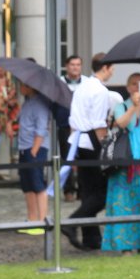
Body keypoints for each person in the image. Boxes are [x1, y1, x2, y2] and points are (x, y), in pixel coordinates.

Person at [103, 73, 140, 254]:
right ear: (128, 88)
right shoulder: (121, 106)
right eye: (134, 84)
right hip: (125, 154)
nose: (137, 87)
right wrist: (134, 107)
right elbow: (121, 123)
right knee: (123, 200)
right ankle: (124, 246)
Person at [65, 51, 115, 251]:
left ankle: (91, 238)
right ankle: (72, 222)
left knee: (88, 191)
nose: (112, 72)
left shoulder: (83, 86)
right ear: (106, 67)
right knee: (102, 193)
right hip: (91, 141)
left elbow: (74, 118)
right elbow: (98, 125)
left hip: (77, 140)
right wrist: (106, 149)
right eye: (112, 68)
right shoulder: (100, 90)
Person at [16, 81, 52, 233]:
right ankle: (32, 220)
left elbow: (41, 128)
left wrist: (34, 150)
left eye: (22, 84)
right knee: (27, 186)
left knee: (37, 184)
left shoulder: (40, 104)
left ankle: (42, 221)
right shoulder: (27, 103)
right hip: (24, 147)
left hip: (34, 148)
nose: (20, 87)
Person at [53, 54, 81, 201]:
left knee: (83, 157)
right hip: (65, 126)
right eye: (72, 65)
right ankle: (68, 190)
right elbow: (54, 105)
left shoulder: (86, 83)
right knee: (66, 158)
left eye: (78, 65)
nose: (75, 67)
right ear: (67, 66)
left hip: (83, 127)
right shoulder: (60, 83)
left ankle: (82, 189)